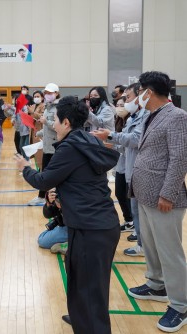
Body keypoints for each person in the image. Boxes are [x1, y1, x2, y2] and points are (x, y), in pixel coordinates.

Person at [17, 96, 120, 334]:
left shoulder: (70, 148)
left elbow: (43, 180)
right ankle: (81, 316)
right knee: (81, 282)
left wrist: (24, 167)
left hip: (91, 227)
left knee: (90, 290)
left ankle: (90, 324)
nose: (52, 124)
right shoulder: (87, 140)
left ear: (65, 122)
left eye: (54, 120)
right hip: (95, 225)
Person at [127, 71, 187, 333]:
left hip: (164, 198)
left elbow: (179, 158)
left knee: (169, 251)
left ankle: (181, 305)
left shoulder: (177, 117)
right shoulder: (152, 116)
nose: (138, 94)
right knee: (151, 245)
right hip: (144, 193)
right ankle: (156, 284)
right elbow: (142, 147)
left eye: (140, 89)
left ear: (148, 91)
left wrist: (168, 194)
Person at [92, 83, 150, 257]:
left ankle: (145, 246)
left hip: (140, 171)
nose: (126, 102)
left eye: (130, 97)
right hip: (131, 170)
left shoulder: (145, 117)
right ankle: (141, 244)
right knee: (136, 212)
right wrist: (113, 145)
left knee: (142, 214)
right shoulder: (133, 118)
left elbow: (135, 140)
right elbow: (127, 147)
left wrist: (110, 135)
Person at [26, 83, 60, 206]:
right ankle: (43, 196)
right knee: (45, 172)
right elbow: (46, 126)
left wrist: (46, 122)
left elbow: (59, 127)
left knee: (47, 173)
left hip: (54, 147)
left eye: (50, 93)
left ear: (56, 93)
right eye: (46, 93)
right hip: (47, 146)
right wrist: (40, 133)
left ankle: (45, 197)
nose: (47, 95)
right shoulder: (48, 106)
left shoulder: (58, 108)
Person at [37, 188, 67, 255]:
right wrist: (49, 203)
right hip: (65, 226)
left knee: (42, 240)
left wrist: (64, 206)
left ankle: (71, 245)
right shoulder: (57, 190)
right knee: (42, 238)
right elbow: (47, 215)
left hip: (77, 226)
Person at [28, 90, 45, 169]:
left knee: (40, 153)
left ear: (42, 97)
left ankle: (41, 171)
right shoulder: (33, 106)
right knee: (35, 153)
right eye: (35, 97)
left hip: (40, 131)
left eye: (38, 96)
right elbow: (31, 117)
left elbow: (42, 117)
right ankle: (38, 169)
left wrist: (33, 112)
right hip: (32, 131)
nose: (36, 98)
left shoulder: (44, 106)